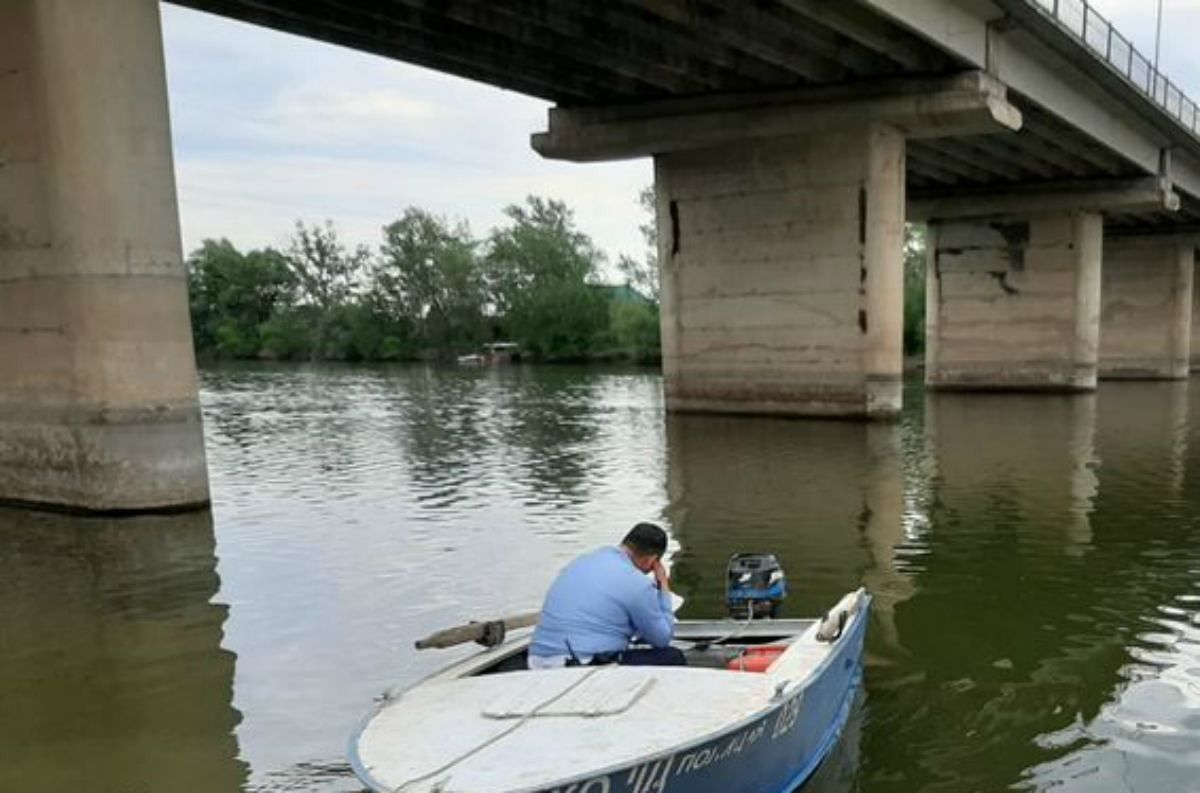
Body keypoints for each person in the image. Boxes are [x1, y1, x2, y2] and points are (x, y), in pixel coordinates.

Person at [528, 522, 686, 669]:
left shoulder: (583, 561)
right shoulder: (637, 582)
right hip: (579, 664)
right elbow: (662, 639)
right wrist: (663, 587)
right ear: (652, 560)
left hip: (536, 659)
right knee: (672, 657)